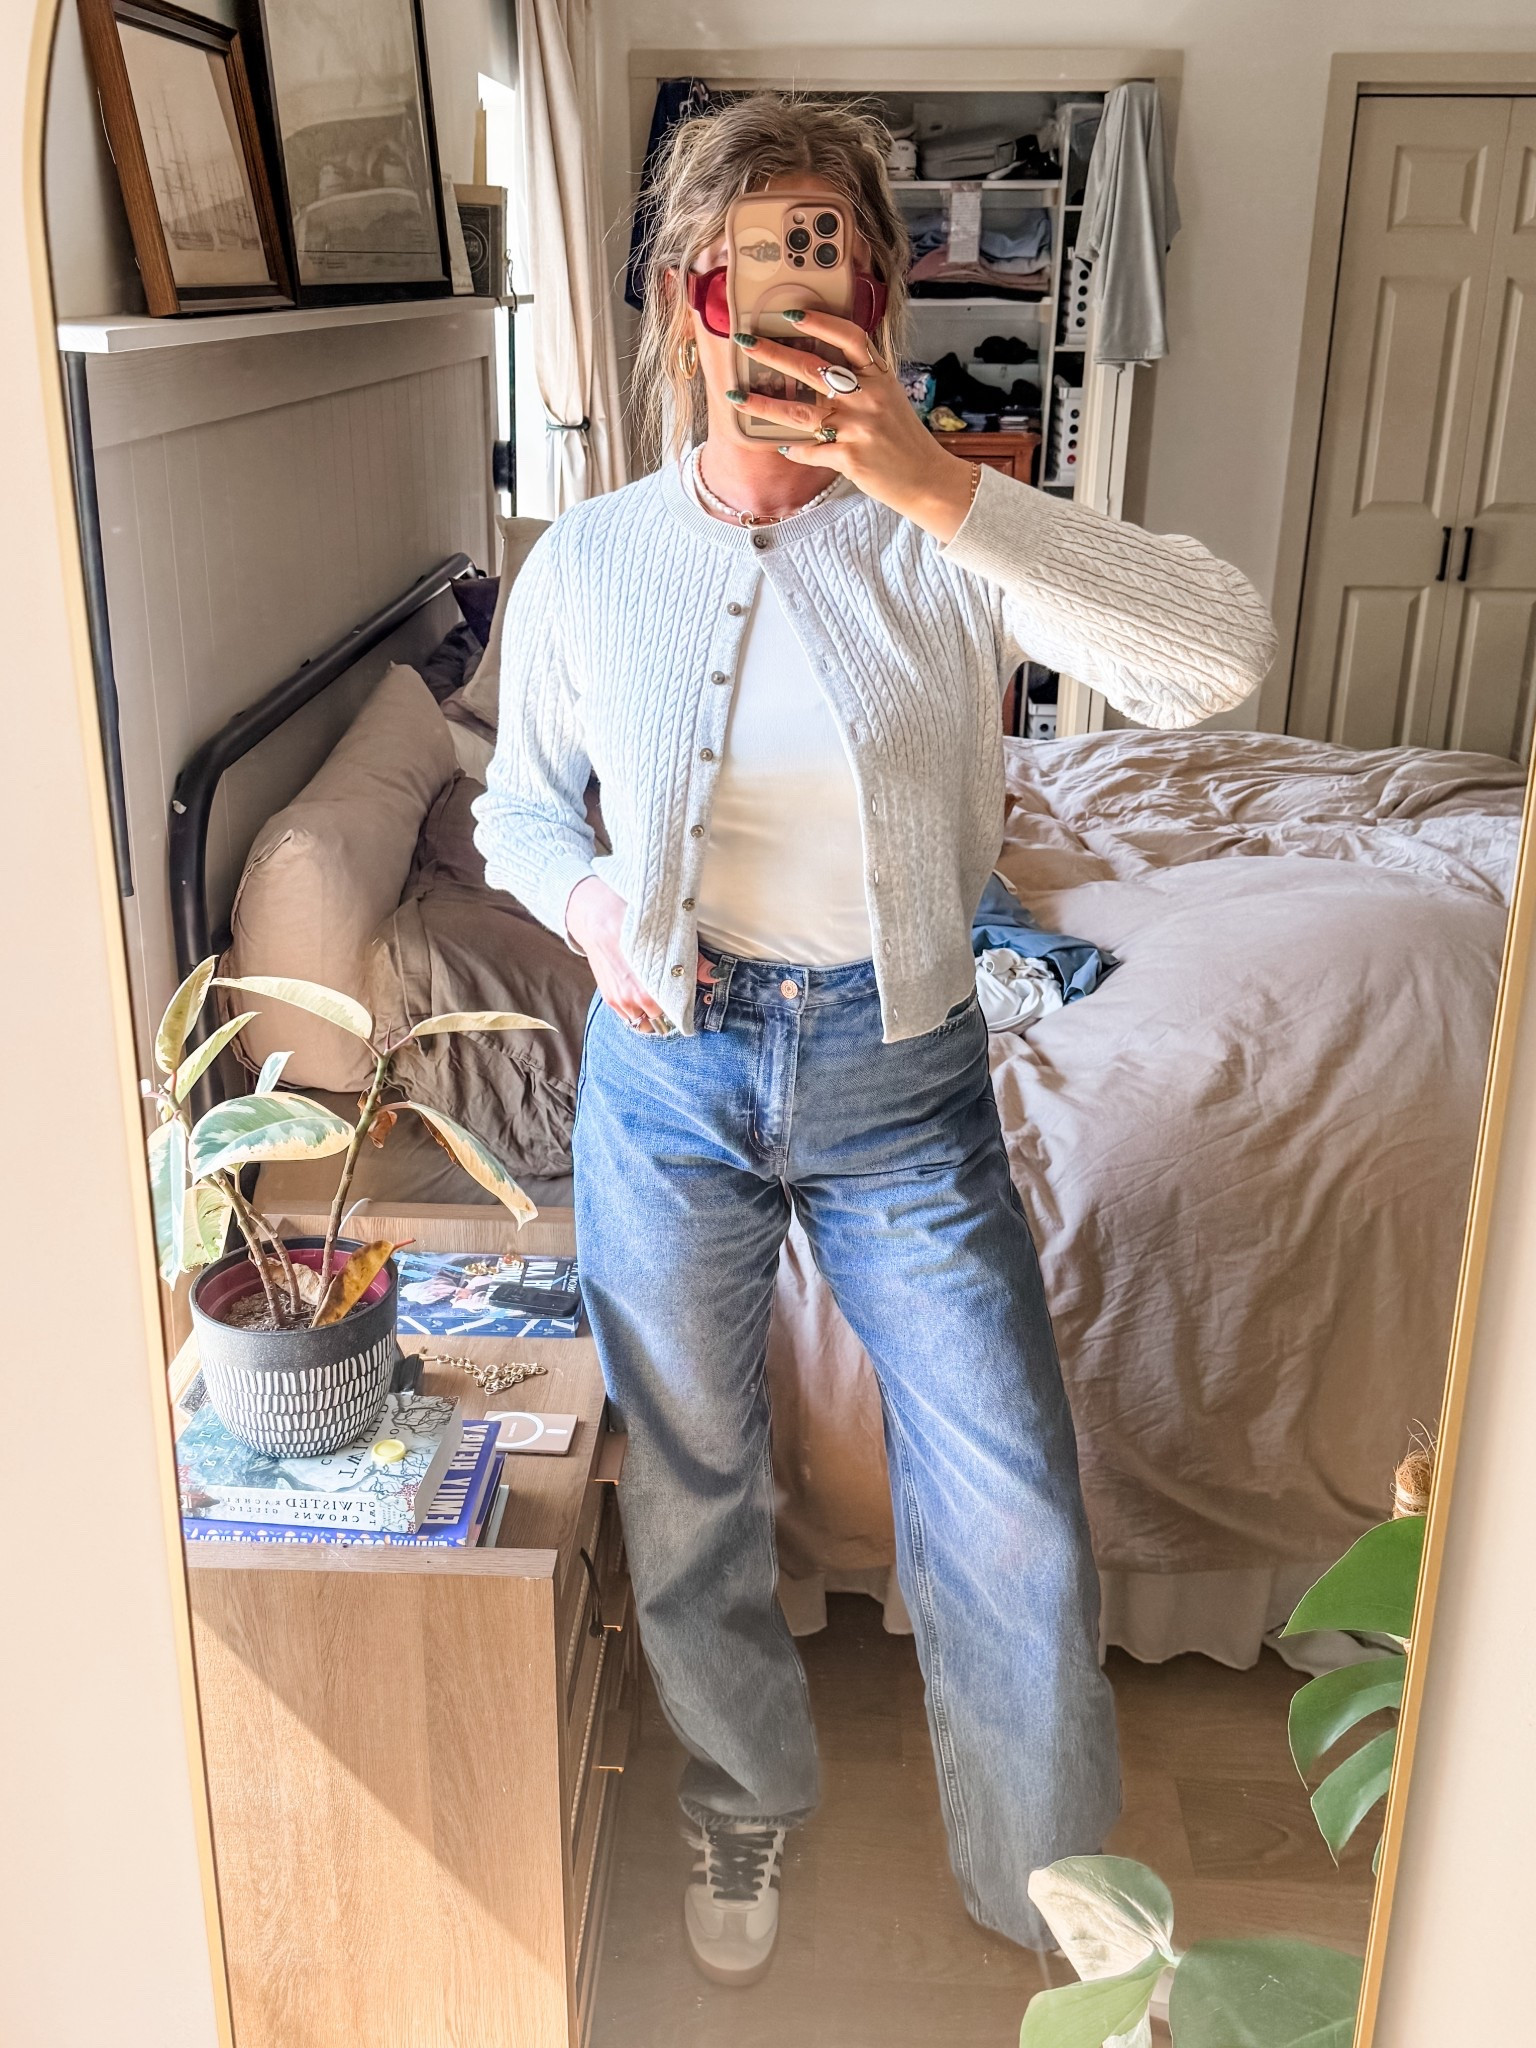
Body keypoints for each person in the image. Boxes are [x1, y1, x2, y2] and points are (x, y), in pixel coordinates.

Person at [474, 94, 1275, 1987]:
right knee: (690, 1483)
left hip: (903, 1080)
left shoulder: (944, 535)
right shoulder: (588, 562)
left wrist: (941, 485)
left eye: (835, 257)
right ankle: (741, 1794)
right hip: (669, 1082)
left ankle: (1049, 1882)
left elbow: (1216, 661)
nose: (797, 299)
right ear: (692, 299)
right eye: (758, 261)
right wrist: (596, 913)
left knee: (1009, 1503)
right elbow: (518, 811)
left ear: (885, 297)